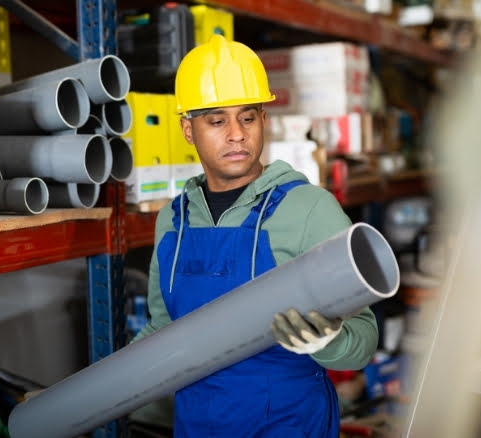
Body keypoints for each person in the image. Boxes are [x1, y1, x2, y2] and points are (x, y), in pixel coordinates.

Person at [131, 34, 378, 437]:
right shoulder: (173, 221)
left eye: (247, 117)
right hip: (198, 425)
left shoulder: (310, 210)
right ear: (188, 130)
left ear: (264, 120)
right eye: (216, 121)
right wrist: (80, 396)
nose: (236, 134)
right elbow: (162, 331)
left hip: (288, 425)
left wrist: (327, 339)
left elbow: (364, 340)